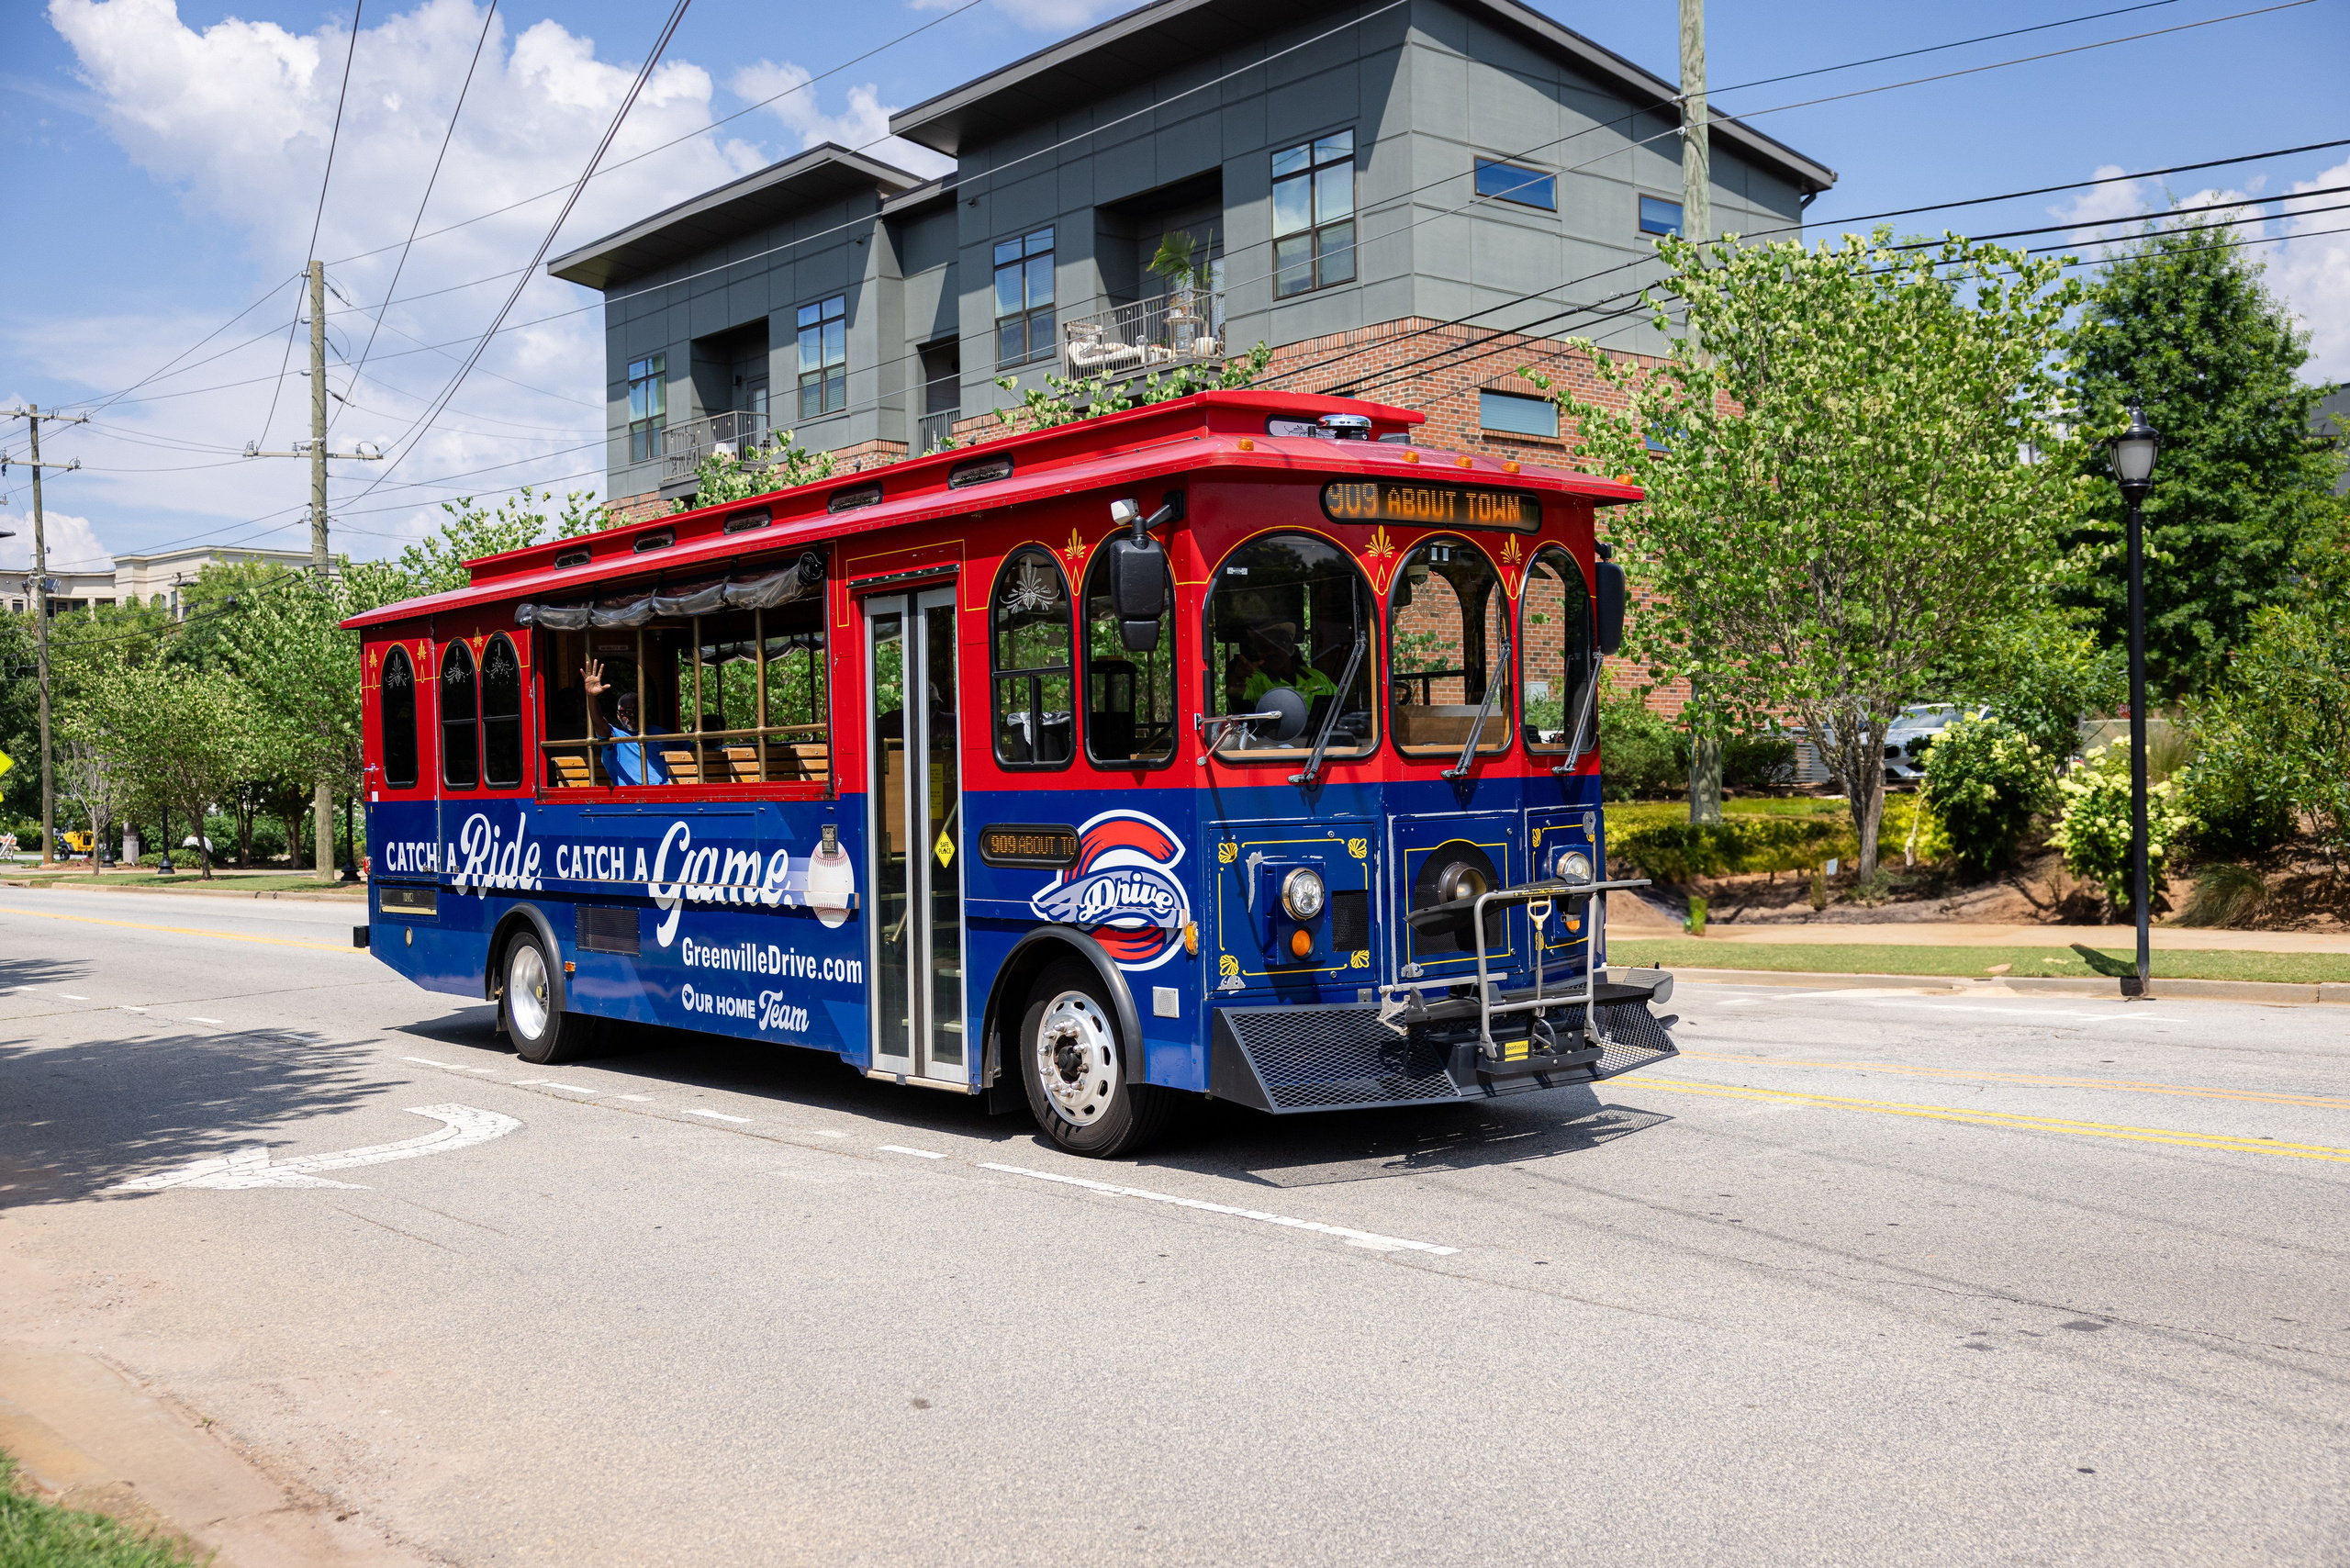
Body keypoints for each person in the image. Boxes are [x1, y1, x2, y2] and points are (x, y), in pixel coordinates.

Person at [583, 656, 672, 786]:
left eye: (636, 710)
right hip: (631, 796)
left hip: (666, 794)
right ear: (618, 716)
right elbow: (599, 724)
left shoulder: (658, 732)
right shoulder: (616, 737)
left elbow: (689, 748)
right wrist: (592, 697)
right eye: (625, 712)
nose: (632, 715)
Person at [1240, 623, 1339, 705]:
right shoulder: (1251, 679)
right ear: (1257, 651)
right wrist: (1237, 678)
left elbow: (1340, 706)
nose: (1272, 652)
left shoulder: (1318, 677)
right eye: (1264, 647)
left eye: (1278, 645)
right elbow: (1237, 699)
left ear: (1291, 647)